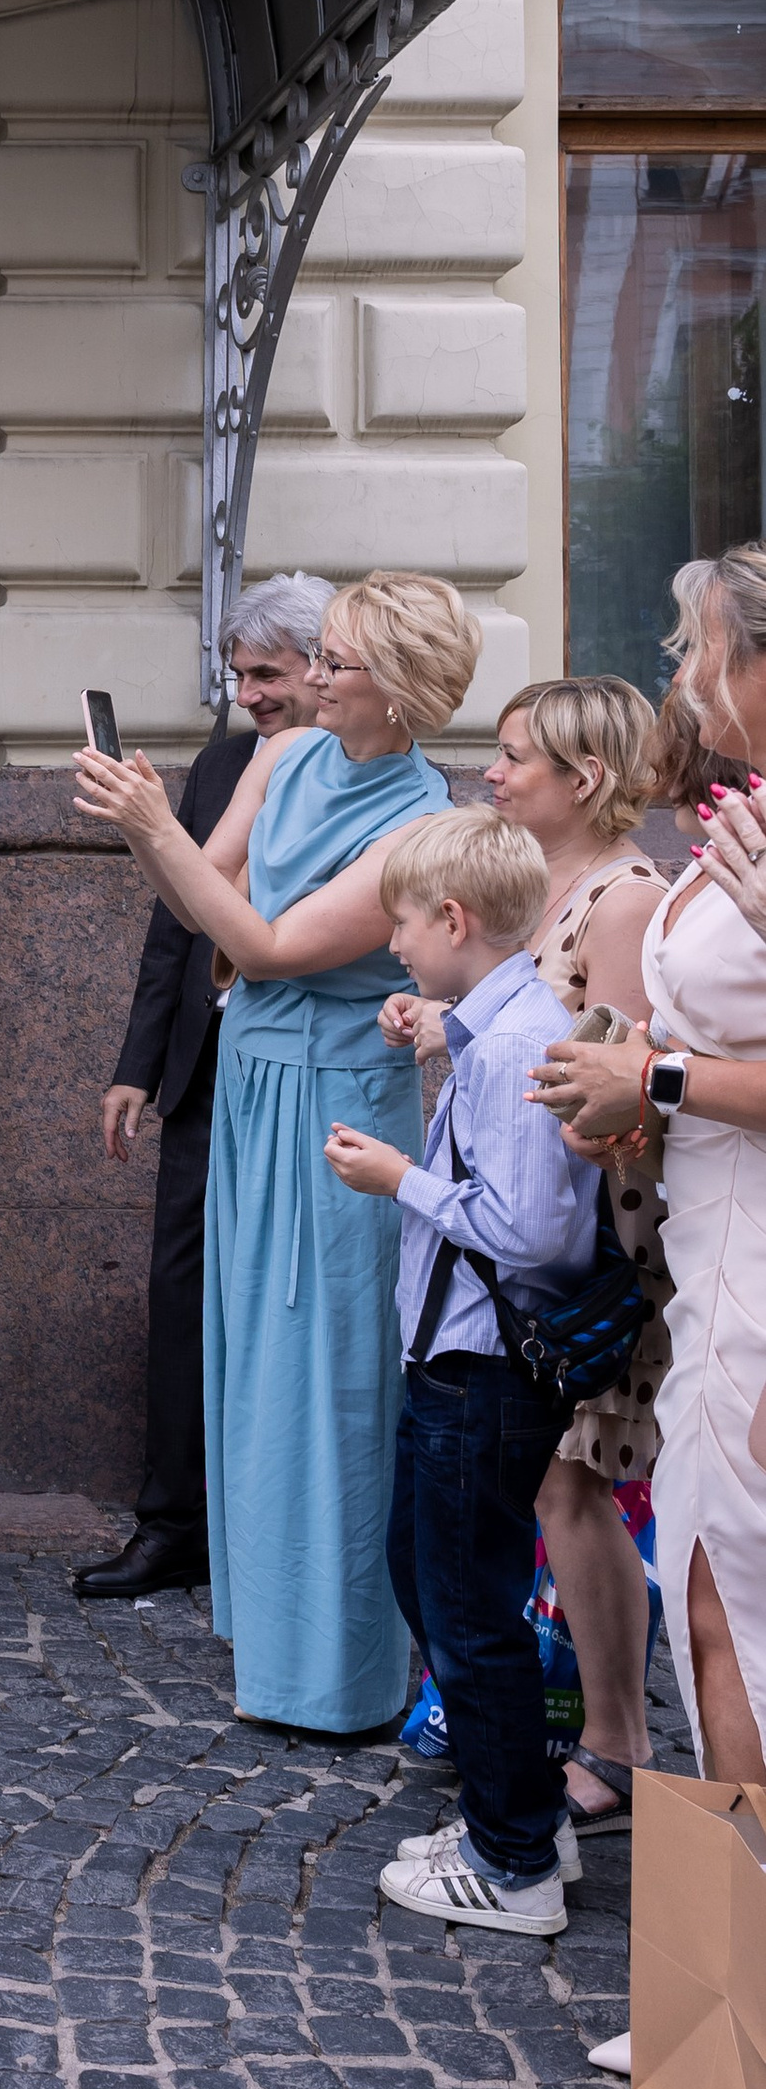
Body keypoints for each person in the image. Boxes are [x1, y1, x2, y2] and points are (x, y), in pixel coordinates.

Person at [77, 569, 480, 1732]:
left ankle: (342, 1674)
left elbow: (258, 941)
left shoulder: (418, 824)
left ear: (397, 691)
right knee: (253, 1364)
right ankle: (272, 1640)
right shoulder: (287, 756)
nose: (306, 679)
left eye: (331, 663)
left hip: (338, 1109)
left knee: (332, 1378)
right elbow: (204, 900)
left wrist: (163, 833)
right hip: (253, 1086)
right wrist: (147, 827)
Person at [322, 809, 602, 1933]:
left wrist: (401, 1179)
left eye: (401, 921)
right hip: (456, 1363)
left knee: (466, 1607)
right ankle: (523, 1809)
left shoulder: (522, 1041)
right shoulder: (495, 1024)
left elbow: (533, 1234)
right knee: (432, 1577)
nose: (391, 943)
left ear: (452, 918)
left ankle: (513, 1861)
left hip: (481, 1368)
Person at [421, 676, 667, 1839]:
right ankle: (553, 1727)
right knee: (555, 1485)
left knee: (577, 1484)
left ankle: (618, 1745)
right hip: (530, 1246)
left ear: (584, 778)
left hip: (592, 1248)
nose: (493, 771)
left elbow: (614, 1094)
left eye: (515, 756)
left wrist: (502, 1045)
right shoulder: (540, 885)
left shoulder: (624, 897)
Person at [536, 546, 766, 1788]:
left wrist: (657, 1081)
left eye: (699, 646)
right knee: (707, 1592)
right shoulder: (743, 814)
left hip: (758, 1265)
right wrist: (626, 1078)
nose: (681, 671)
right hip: (704, 1249)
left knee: (734, 1608)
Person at [80, 573, 331, 1603]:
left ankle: (269, 1527)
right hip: (199, 1065)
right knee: (180, 1292)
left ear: (326, 665)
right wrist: (136, 1066)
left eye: (267, 672)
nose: (249, 693)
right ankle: (170, 1524)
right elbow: (169, 926)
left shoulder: (365, 772)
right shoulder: (225, 759)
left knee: (284, 1304)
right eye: (238, 673)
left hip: (305, 1066)